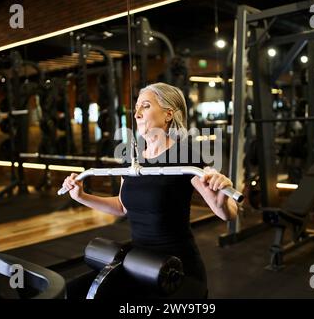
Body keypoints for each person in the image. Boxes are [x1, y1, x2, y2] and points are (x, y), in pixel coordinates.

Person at [62, 82, 238, 298]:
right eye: (136, 107)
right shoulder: (133, 159)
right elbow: (122, 207)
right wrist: (81, 196)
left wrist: (221, 195)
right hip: (139, 262)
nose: (136, 114)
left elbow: (226, 213)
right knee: (70, 293)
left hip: (175, 270)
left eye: (145, 106)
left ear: (168, 115)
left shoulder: (185, 157)